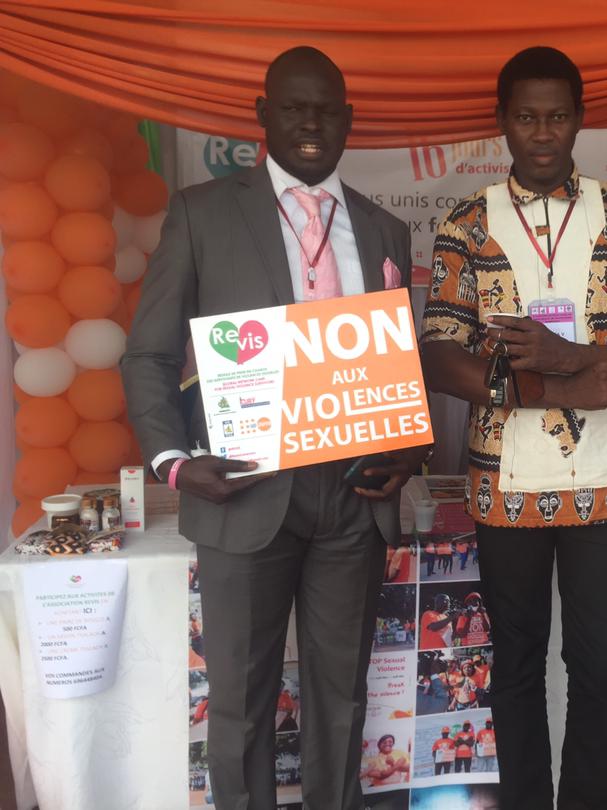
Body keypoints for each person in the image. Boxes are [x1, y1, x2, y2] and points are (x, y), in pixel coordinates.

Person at [121, 46, 429, 810]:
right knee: (240, 704)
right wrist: (171, 460)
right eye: (294, 108)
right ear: (263, 115)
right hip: (244, 489)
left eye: (326, 110)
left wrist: (408, 449)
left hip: (354, 497)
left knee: (342, 696)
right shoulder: (202, 213)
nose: (311, 123)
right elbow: (149, 353)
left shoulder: (385, 230)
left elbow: (398, 364)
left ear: (348, 120)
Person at [420, 46, 607, 810]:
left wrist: (575, 355)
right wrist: (550, 384)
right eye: (527, 117)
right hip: (504, 482)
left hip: (602, 479)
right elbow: (439, 354)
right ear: (503, 122)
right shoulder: (467, 223)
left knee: (598, 667)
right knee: (517, 661)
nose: (542, 132)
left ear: (579, 119)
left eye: (557, 116)